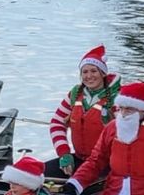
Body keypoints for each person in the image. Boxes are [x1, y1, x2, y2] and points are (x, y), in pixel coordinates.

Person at [46, 44, 122, 177]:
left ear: (103, 73)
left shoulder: (118, 98)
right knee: (40, 174)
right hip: (80, 159)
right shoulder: (75, 94)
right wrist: (64, 153)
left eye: (94, 71)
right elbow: (56, 123)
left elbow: (128, 134)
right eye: (85, 72)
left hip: (107, 164)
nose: (89, 76)